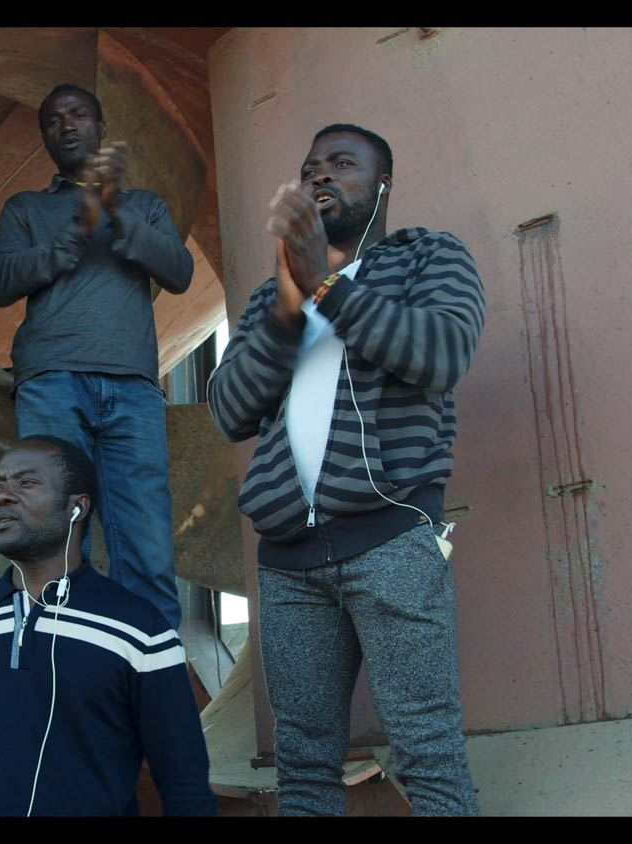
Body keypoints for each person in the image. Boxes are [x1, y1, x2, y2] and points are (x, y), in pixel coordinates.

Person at [206, 124, 486, 815]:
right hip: (287, 561)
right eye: (309, 169)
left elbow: (442, 353)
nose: (320, 176)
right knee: (303, 764)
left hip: (391, 540)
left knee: (425, 750)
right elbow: (230, 410)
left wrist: (325, 286)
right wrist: (289, 306)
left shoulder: (429, 256)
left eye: (341, 164)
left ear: (383, 183)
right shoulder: (269, 299)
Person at [0, 436, 217, 816]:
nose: (2, 497)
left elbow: (185, 784)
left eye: (26, 483)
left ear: (76, 508)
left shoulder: (141, 631)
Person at [0, 83, 194, 630]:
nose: (66, 125)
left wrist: (116, 210)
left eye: (78, 115)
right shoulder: (26, 207)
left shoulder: (144, 204)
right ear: (46, 140)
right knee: (53, 533)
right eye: (53, 121)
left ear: (101, 129)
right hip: (51, 379)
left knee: (147, 541)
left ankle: (152, 669)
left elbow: (179, 272)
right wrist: (69, 239)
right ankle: (64, 662)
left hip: (133, 387)